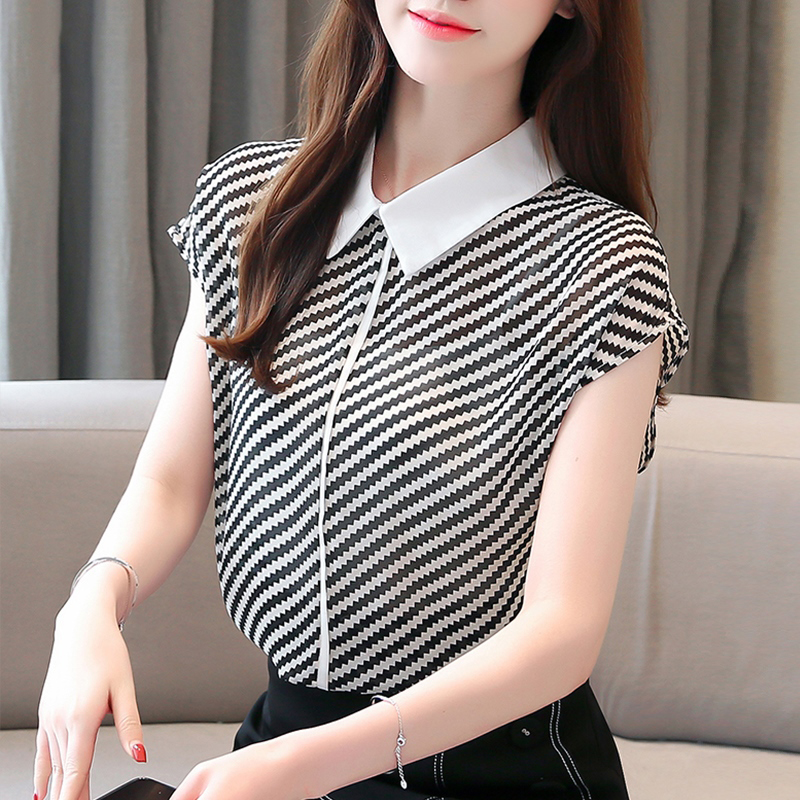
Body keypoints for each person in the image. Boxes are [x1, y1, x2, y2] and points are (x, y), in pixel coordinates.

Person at [35, 1, 691, 799]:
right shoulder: (254, 204)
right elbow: (171, 482)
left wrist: (303, 765)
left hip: (492, 773)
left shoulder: (603, 266)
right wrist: (93, 601)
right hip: (282, 747)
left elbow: (562, 633)